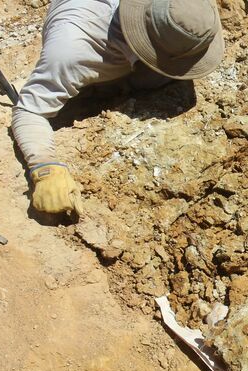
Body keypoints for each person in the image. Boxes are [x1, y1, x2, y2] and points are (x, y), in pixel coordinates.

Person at [12, 0, 224, 215]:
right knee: (152, 81)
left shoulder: (177, 12)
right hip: (87, 47)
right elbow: (29, 111)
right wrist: (45, 168)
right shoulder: (71, 52)